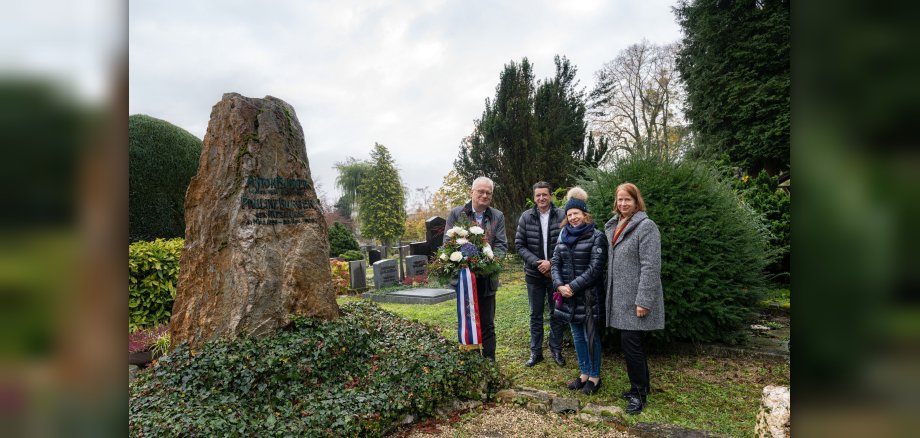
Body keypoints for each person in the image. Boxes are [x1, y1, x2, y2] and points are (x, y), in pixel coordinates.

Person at [604, 182, 664, 414]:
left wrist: (643, 300)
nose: (623, 203)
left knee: (632, 345)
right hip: (620, 297)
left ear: (636, 201)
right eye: (619, 199)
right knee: (631, 344)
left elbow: (651, 266)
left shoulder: (646, 227)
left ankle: (639, 394)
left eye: (627, 199)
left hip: (635, 299)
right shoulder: (618, 224)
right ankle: (641, 387)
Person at [445, 176, 507, 361]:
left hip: (487, 279)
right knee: (467, 321)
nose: (485, 195)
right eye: (481, 191)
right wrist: (465, 263)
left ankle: (489, 364)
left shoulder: (497, 216)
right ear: (471, 192)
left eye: (488, 192)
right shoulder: (457, 214)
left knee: (487, 324)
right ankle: (472, 364)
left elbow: (502, 246)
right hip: (464, 279)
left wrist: (489, 264)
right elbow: (448, 243)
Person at [552, 187, 607, 395]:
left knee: (590, 335)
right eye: (569, 214)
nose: (573, 217)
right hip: (568, 297)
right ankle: (584, 373)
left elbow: (595, 269)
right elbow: (555, 262)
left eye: (576, 213)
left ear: (584, 214)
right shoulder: (563, 236)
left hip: (587, 296)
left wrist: (572, 287)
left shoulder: (596, 236)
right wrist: (559, 285)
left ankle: (594, 376)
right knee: (577, 336)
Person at [515, 181, 567, 367]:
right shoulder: (526, 217)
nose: (541, 198)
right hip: (534, 274)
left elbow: (567, 243)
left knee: (557, 313)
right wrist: (538, 263)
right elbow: (519, 245)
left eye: (544, 194)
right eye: (538, 195)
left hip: (556, 274)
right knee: (535, 314)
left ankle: (556, 349)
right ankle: (536, 352)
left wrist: (551, 263)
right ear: (534, 197)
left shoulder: (562, 215)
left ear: (551, 195)